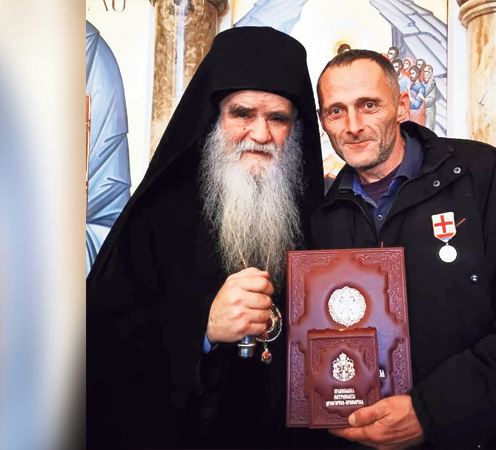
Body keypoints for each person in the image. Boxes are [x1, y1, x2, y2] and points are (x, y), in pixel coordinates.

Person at [313, 49, 496, 449]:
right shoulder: (322, 214)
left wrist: (431, 412)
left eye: (369, 105)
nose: (353, 126)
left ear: (402, 105)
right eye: (337, 111)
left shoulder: (480, 172)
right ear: (323, 121)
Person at [86, 27, 324, 449]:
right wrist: (204, 328)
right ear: (214, 116)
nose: (260, 134)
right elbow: (101, 341)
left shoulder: (321, 217)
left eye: (278, 118)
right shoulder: (159, 212)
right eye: (242, 113)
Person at [422, 64, 437, 131]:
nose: (424, 74)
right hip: (423, 109)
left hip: (429, 110)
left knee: (428, 129)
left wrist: (420, 100)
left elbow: (430, 98)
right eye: (424, 71)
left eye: (426, 71)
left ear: (430, 73)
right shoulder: (424, 83)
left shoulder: (432, 82)